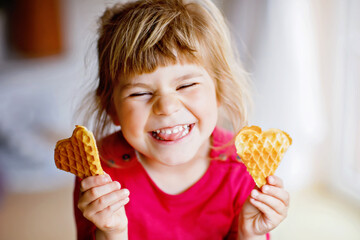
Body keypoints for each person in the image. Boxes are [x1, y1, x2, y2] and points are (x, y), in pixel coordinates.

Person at [74, 0, 290, 239]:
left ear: (220, 91)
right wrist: (111, 232)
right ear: (110, 107)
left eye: (186, 85)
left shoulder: (243, 167)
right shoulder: (98, 171)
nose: (166, 107)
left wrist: (252, 234)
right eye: (140, 93)